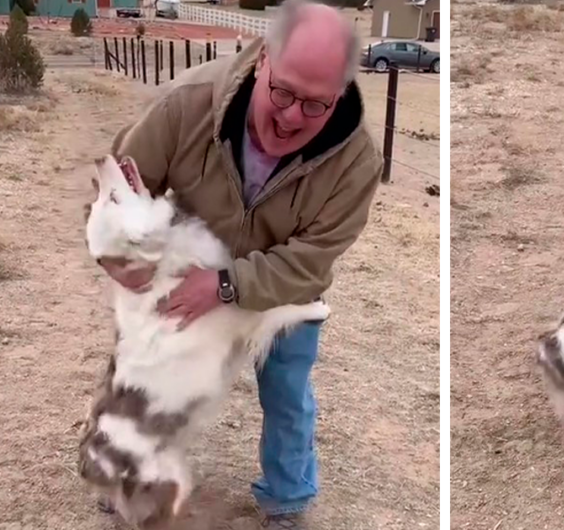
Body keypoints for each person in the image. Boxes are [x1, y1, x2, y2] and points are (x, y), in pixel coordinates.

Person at [96, 0, 383, 526]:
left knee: (288, 392)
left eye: (316, 104)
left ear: (340, 95)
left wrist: (227, 285)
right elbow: (120, 186)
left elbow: (313, 261)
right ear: (263, 60)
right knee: (137, 369)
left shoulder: (358, 161)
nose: (293, 115)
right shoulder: (188, 104)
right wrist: (123, 253)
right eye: (284, 91)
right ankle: (122, 470)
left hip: (280, 292)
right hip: (185, 269)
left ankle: (287, 499)